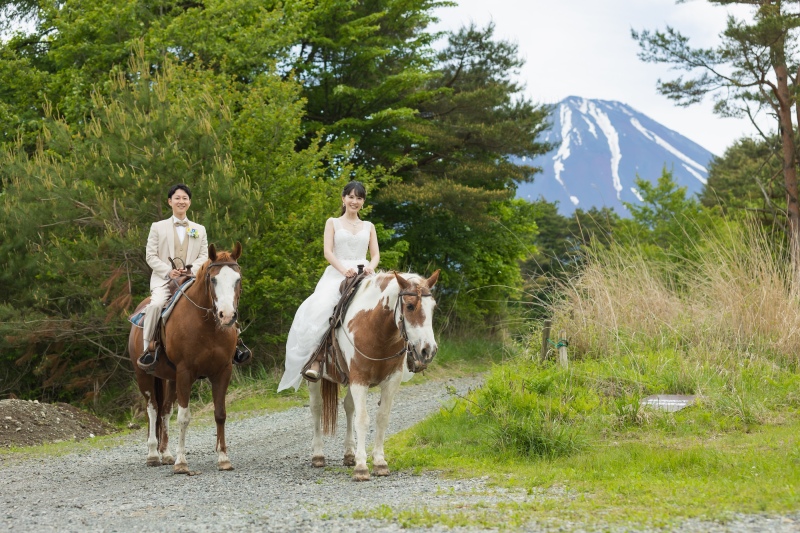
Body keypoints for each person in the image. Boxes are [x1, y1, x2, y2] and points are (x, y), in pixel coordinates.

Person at [277, 181, 379, 392]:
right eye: (351, 196)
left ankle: (388, 358)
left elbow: (376, 254)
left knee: (385, 305)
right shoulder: (332, 222)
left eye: (359, 198)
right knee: (322, 307)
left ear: (363, 202)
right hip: (338, 272)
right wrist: (343, 270)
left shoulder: (369, 226)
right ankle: (316, 358)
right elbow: (328, 252)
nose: (355, 201)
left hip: (364, 272)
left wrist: (370, 267)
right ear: (343, 198)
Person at [137, 183, 250, 372]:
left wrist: (191, 270)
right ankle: (149, 348)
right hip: (165, 279)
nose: (181, 201)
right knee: (156, 305)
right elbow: (150, 256)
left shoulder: (199, 229)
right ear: (170, 201)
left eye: (185, 198)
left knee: (223, 298)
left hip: (192, 278)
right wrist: (168, 271)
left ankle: (236, 343)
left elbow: (204, 256)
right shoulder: (157, 227)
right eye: (177, 198)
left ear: (189, 202)